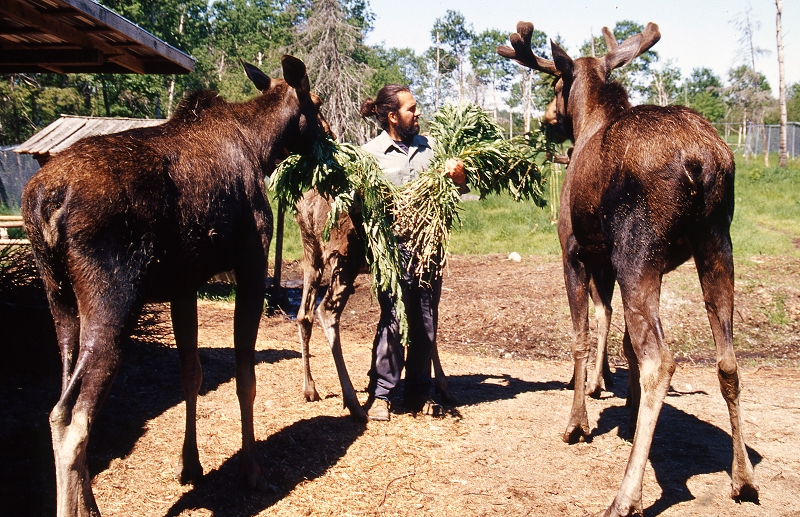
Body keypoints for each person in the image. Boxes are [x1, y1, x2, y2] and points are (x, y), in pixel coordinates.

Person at [359, 84, 466, 421]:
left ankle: (418, 392)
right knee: (393, 320)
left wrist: (459, 177)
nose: (417, 114)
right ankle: (382, 394)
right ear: (393, 116)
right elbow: (359, 206)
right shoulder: (370, 154)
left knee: (424, 322)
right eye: (411, 109)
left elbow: (457, 191)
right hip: (392, 252)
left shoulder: (430, 148)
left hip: (427, 252)